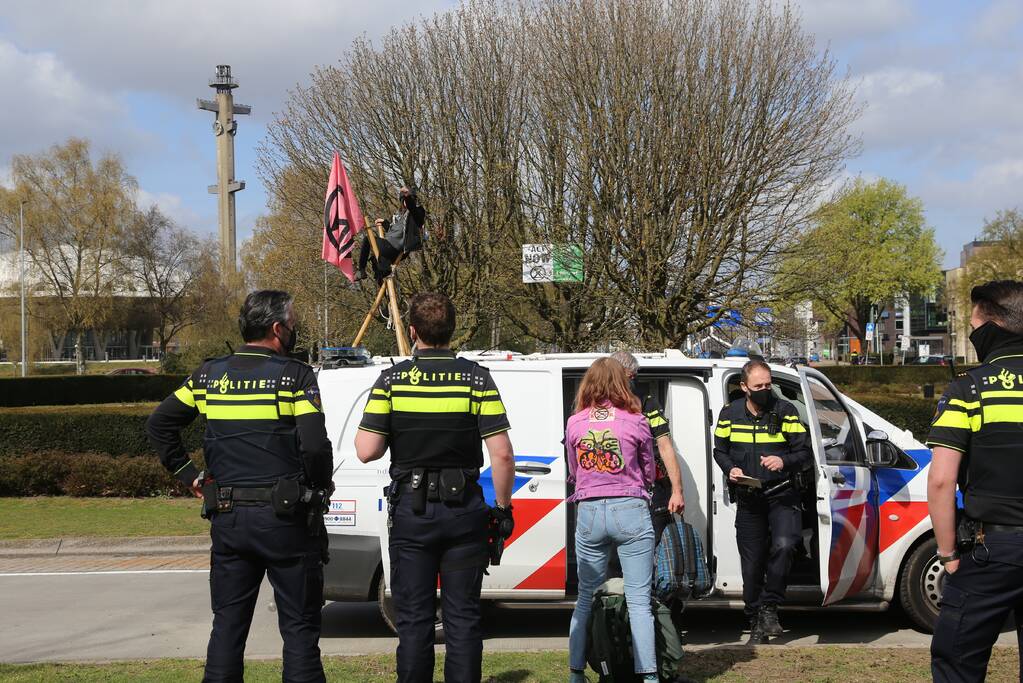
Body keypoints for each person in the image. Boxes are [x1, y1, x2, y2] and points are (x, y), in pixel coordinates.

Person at [145, 290, 334, 683]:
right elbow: (314, 445)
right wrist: (319, 489)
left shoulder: (208, 375)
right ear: (278, 328)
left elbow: (160, 423)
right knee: (299, 631)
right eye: (294, 323)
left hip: (228, 519)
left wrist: (188, 475)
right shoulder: (295, 376)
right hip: (286, 521)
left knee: (227, 628)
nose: (296, 329)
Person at [354, 292, 516, 683]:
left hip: (412, 512)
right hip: (465, 514)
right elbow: (503, 456)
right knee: (462, 620)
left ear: (412, 331)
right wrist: (504, 509)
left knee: (414, 622)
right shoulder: (477, 379)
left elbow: (366, 450)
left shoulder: (391, 380)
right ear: (452, 331)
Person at [928, 280, 1023, 683]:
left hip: (992, 549)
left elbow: (941, 481)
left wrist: (948, 554)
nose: (970, 330)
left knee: (958, 662)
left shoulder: (969, 389)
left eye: (973, 322)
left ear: (993, 325)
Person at [565, 358, 659, 683]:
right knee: (638, 601)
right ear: (623, 382)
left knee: (585, 598)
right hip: (630, 508)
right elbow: (649, 470)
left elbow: (574, 472)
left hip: (590, 511)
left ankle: (576, 673)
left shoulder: (575, 423)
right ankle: (648, 676)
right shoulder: (637, 421)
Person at [712, 359, 810, 645]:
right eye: (759, 386)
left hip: (782, 493)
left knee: (786, 544)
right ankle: (755, 620)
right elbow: (720, 450)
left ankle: (769, 607)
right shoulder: (729, 413)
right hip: (748, 497)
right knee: (751, 564)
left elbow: (804, 454)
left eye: (768, 384)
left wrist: (784, 460)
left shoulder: (786, 411)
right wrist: (730, 468)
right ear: (744, 387)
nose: (765, 389)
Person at [609, 351, 685, 541]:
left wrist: (677, 491)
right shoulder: (597, 406)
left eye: (634, 376)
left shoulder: (647, 402)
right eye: (629, 376)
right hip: (613, 491)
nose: (633, 380)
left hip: (650, 490)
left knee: (655, 543)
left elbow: (665, 447)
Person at [357, 185, 426, 283]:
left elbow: (413, 209)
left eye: (411, 199)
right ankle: (382, 274)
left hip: (396, 248)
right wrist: (385, 223)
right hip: (389, 247)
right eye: (406, 200)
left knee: (368, 239)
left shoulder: (417, 213)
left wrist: (407, 196)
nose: (408, 202)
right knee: (377, 263)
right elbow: (395, 231)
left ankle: (362, 269)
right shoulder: (399, 216)